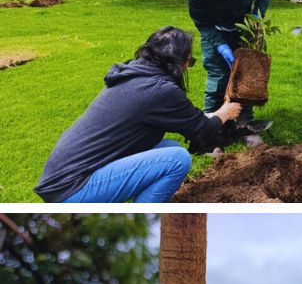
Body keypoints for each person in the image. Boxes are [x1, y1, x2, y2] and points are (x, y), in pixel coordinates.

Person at [34, 27, 241, 202]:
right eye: (190, 61)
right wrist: (225, 112)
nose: (188, 66)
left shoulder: (136, 75)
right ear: (177, 62)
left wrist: (216, 114)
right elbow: (203, 130)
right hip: (72, 189)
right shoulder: (161, 90)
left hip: (62, 177)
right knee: (178, 159)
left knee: (170, 147)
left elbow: (192, 121)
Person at [183, 0, 271, 146]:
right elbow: (203, 24)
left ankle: (244, 124)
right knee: (217, 76)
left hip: (244, 31)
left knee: (246, 77)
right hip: (215, 33)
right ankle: (211, 129)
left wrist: (256, 18)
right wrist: (220, 45)